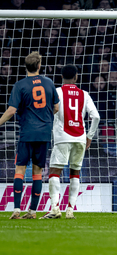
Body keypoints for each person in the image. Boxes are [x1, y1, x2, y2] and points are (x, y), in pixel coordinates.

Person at [0, 52, 59, 219]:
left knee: (19, 170)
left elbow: (11, 111)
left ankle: (17, 209)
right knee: (38, 173)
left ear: (25, 67)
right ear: (39, 66)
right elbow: (57, 107)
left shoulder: (20, 85)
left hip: (27, 133)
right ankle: (33, 212)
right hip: (44, 133)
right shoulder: (48, 83)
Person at [40, 65, 100, 219]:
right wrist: (89, 136)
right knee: (75, 173)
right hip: (80, 137)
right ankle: (70, 210)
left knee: (54, 171)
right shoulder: (84, 94)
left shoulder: (57, 92)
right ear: (76, 77)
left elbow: (49, 113)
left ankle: (55, 208)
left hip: (62, 137)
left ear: (61, 77)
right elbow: (96, 117)